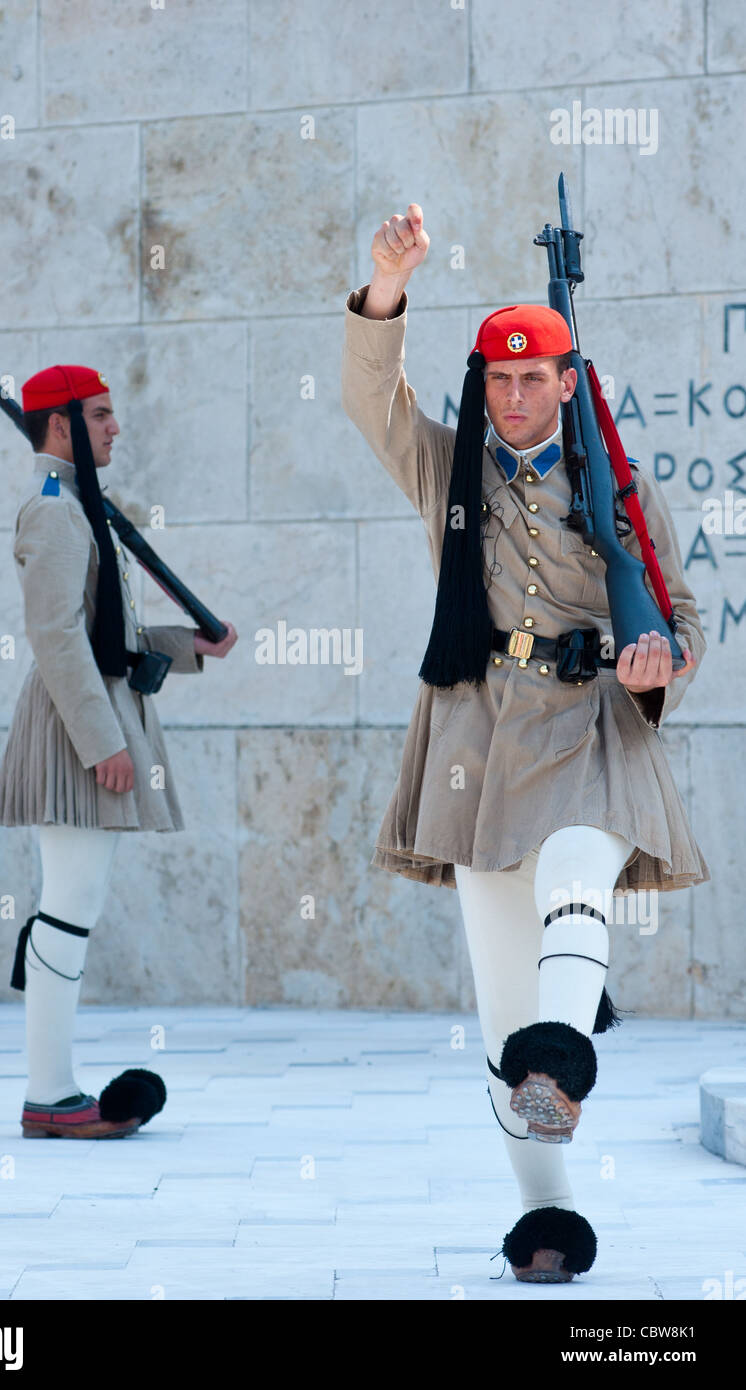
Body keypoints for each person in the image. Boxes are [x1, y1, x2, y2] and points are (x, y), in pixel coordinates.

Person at [341, 205, 709, 1283]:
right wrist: (386, 286)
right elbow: (373, 403)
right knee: (505, 1018)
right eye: (496, 381)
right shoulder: (448, 474)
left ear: (564, 384)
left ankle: (566, 1046)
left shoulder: (622, 492)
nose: (511, 397)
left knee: (579, 864)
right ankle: (546, 1217)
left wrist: (659, 662)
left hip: (591, 725)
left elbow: (681, 622)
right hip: (478, 739)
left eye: (531, 379)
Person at [0, 364, 237, 1139]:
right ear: (59, 426)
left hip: (94, 711)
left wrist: (186, 646)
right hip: (77, 726)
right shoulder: (56, 511)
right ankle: (50, 1097)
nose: (114, 428)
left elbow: (105, 634)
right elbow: (56, 638)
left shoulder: (82, 507)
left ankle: (52, 1091)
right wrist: (103, 746)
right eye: (99, 415)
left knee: (72, 905)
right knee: (67, 906)